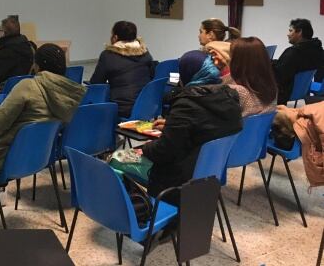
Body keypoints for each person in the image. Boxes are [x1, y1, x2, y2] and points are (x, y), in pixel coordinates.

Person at [140, 50, 242, 199]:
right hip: (211, 175)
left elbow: (163, 151)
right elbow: (205, 125)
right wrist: (172, 124)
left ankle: (143, 213)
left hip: (178, 180)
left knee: (117, 161)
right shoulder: (229, 97)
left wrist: (145, 147)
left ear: (187, 74)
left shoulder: (187, 103)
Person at [0, 43, 86, 175]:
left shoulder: (27, 86)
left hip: (5, 156)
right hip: (41, 158)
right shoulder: (69, 94)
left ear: (37, 66)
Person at [89, 21, 153, 118]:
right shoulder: (145, 53)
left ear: (115, 37)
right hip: (146, 106)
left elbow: (96, 83)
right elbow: (152, 77)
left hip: (122, 109)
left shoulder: (108, 55)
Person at [214, 37, 277, 116]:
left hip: (239, 128)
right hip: (261, 128)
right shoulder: (272, 88)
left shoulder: (238, 92)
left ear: (237, 61)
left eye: (230, 55)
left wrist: (213, 70)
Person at [273, 18, 324, 105]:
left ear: (299, 32)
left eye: (290, 31)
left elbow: (278, 77)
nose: (288, 34)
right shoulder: (318, 50)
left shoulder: (294, 52)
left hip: (283, 96)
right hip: (300, 95)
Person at [0, 16, 34, 93]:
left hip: (6, 92)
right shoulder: (29, 46)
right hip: (24, 89)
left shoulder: (6, 51)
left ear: (3, 32)